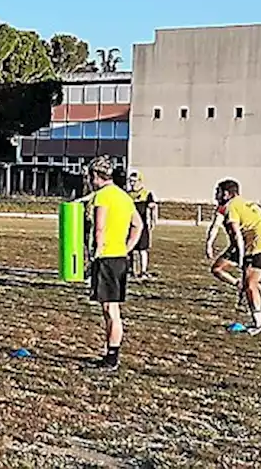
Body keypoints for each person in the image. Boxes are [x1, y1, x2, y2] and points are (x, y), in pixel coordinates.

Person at [83, 156, 143, 371]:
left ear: (95, 176)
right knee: (112, 308)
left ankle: (111, 357)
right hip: (119, 258)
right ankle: (111, 354)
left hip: (106, 257)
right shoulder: (124, 196)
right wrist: (127, 248)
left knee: (110, 310)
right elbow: (138, 225)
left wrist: (94, 256)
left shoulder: (103, 197)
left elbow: (99, 229)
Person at [218, 179, 261, 336]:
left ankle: (259, 324)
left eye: (218, 192)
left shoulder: (231, 206)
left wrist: (242, 259)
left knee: (251, 285)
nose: (217, 195)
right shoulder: (248, 203)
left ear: (227, 194)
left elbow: (237, 235)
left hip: (260, 245)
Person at [127, 171, 158, 280]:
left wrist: (153, 220)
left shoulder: (146, 194)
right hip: (129, 225)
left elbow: (153, 207)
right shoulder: (127, 194)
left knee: (142, 249)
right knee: (129, 249)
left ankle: (143, 271)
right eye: (130, 181)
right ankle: (130, 270)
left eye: (134, 181)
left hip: (142, 226)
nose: (131, 183)